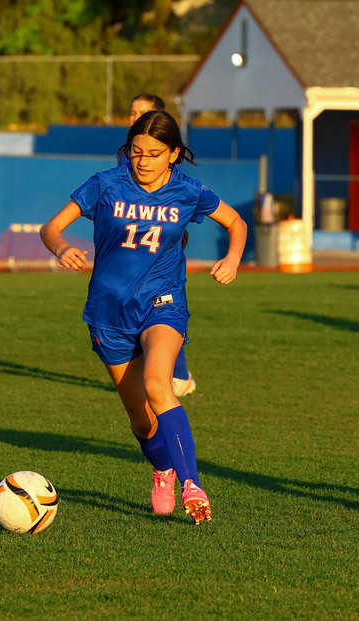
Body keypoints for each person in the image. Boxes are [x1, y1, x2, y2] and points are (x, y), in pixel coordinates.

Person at [40, 110, 247, 524]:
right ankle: (162, 468)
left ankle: (192, 484)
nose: (143, 161)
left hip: (163, 301)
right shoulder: (105, 184)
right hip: (108, 312)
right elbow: (50, 227)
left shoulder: (188, 191)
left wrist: (233, 257)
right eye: (136, 151)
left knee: (158, 383)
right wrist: (61, 248)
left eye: (154, 153)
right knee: (140, 417)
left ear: (173, 154)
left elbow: (235, 221)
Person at [127, 93, 197, 398]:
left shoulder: (174, 173)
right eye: (132, 113)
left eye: (142, 113)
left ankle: (178, 375)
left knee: (164, 307)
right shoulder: (127, 158)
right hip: (129, 255)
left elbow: (232, 219)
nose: (135, 118)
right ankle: (162, 374)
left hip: (160, 249)